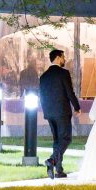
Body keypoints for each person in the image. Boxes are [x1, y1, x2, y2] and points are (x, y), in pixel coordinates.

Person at [38, 48, 81, 180]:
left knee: (57, 141)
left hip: (49, 113)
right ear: (57, 58)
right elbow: (69, 92)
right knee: (66, 139)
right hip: (62, 112)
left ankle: (59, 170)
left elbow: (41, 96)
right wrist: (77, 107)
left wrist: (46, 111)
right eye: (63, 57)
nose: (64, 59)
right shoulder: (63, 73)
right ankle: (52, 160)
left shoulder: (43, 76)